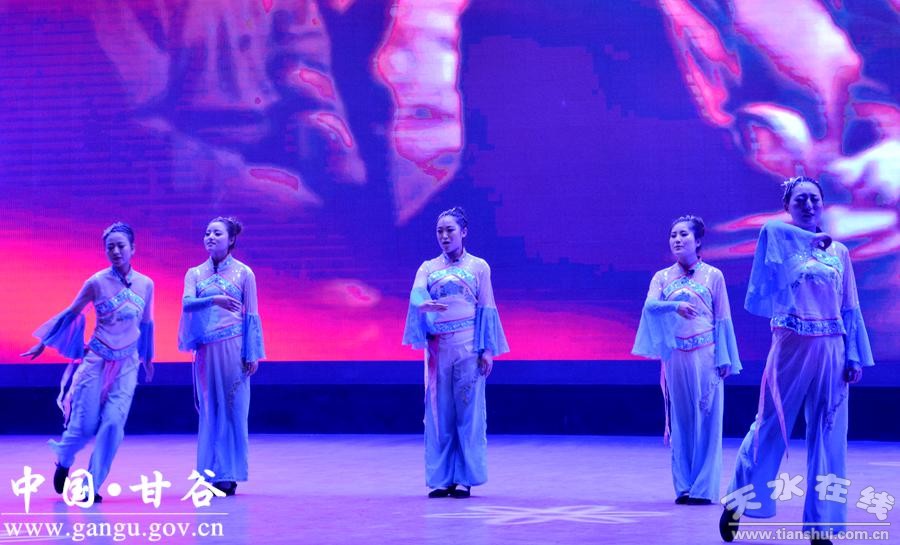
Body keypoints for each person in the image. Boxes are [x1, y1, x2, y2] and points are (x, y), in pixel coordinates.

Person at [719, 177, 875, 545]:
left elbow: (849, 305)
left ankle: (822, 527)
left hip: (832, 346)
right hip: (791, 345)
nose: (808, 205)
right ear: (787, 207)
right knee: (771, 424)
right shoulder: (778, 244)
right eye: (800, 199)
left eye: (814, 199)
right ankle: (739, 499)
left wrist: (853, 354)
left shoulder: (839, 252)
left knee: (829, 433)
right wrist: (809, 240)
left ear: (823, 204)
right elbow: (771, 233)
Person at [21, 222, 154, 504]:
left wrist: (148, 358)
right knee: (84, 426)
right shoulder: (96, 282)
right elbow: (71, 313)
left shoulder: (146, 284)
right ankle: (64, 459)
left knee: (113, 424)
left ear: (133, 248)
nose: (116, 251)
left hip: (127, 364)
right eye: (110, 247)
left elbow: (146, 324)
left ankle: (89, 486)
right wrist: (43, 342)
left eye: (121, 246)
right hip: (96, 361)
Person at [632, 215, 742, 505]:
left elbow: (723, 318)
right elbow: (650, 306)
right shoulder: (661, 277)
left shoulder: (714, 276)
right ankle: (683, 487)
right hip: (677, 356)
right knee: (681, 420)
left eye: (683, 234)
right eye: (673, 235)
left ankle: (704, 488)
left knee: (707, 419)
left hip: (707, 354)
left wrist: (725, 357)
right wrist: (675, 306)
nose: (677, 239)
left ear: (698, 240)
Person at [402, 207, 509, 498]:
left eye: (450, 230)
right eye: (440, 231)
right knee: (440, 413)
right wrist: (423, 303)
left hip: (469, 346)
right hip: (438, 349)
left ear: (464, 232)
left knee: (468, 413)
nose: (444, 236)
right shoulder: (428, 267)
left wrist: (487, 350)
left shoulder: (479, 267)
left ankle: (464, 477)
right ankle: (441, 478)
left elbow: (486, 307)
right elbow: (417, 291)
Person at [179, 216, 265, 497]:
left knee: (233, 409)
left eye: (217, 233)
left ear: (231, 239)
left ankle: (228, 474)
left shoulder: (244, 274)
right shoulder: (194, 273)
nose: (210, 237)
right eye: (207, 233)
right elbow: (187, 304)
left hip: (233, 348)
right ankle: (210, 471)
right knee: (209, 409)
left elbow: (251, 314)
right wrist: (214, 300)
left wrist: (252, 352)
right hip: (206, 351)